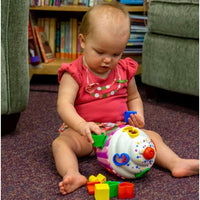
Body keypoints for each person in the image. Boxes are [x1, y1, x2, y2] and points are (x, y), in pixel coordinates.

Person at [52, 2, 199, 195]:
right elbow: (64, 105)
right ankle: (72, 173)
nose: (107, 60)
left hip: (118, 133)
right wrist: (81, 125)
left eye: (116, 53)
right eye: (100, 52)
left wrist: (137, 115)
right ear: (83, 41)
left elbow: (134, 97)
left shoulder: (123, 70)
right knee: (60, 144)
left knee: (152, 137)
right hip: (85, 133)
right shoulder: (74, 73)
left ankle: (176, 163)